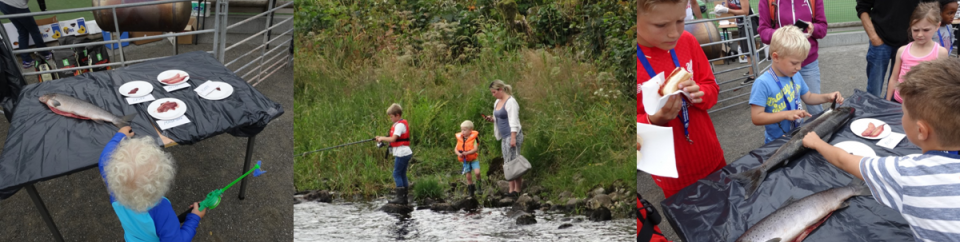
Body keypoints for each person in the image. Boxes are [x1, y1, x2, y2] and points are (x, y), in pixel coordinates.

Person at [802, 58, 960, 241]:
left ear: (921, 130)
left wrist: (816, 143)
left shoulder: (908, 173)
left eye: (904, 113)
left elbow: (843, 160)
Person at [636, 0, 726, 198]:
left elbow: (711, 88)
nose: (674, 33)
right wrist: (653, 120)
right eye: (661, 25)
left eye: (680, 21)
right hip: (673, 173)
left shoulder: (687, 41)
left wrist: (699, 94)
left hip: (711, 155)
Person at [99, 126, 204, 241]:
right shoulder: (161, 211)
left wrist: (120, 135)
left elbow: (104, 159)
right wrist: (194, 218)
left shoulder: (115, 189)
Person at [749, 26, 843, 144]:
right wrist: (785, 114)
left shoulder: (794, 74)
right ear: (775, 57)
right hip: (776, 143)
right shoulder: (762, 83)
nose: (799, 67)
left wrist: (827, 97)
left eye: (801, 62)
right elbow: (756, 117)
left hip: (798, 136)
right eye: (794, 63)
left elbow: (808, 97)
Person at [758, 0, 828, 115]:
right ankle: (790, 133)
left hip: (808, 63)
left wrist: (813, 27)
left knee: (815, 108)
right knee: (785, 108)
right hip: (783, 64)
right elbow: (763, 32)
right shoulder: (768, 1)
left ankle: (819, 132)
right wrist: (785, 35)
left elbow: (823, 28)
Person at [886, 2, 949, 104]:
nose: (920, 34)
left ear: (937, 26)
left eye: (926, 30)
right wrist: (887, 102)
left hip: (923, 106)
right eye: (915, 30)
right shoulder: (902, 51)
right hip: (899, 102)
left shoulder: (940, 53)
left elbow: (941, 84)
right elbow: (893, 78)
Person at [857, 0, 921, 98]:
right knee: (873, 92)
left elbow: (928, 6)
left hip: (907, 43)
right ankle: (873, 112)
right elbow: (862, 7)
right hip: (880, 41)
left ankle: (889, 111)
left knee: (897, 91)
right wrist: (874, 37)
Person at [482, 80, 524, 199]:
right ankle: (511, 189)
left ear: (500, 89)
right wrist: (492, 119)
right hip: (504, 136)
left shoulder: (511, 102)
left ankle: (517, 189)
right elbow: (500, 117)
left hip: (513, 135)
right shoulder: (497, 102)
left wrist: (513, 138)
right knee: (507, 162)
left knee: (514, 161)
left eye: (494, 92)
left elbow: (514, 121)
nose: (493, 95)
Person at [713, 0, 759, 83]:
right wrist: (721, 10)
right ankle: (752, 70)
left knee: (749, 51)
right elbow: (733, 10)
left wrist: (727, 10)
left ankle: (752, 76)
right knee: (746, 50)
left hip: (748, 24)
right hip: (741, 24)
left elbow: (745, 12)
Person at [376, 103, 413, 205]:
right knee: (402, 174)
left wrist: (382, 138)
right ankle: (404, 198)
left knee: (396, 174)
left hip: (402, 153)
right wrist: (381, 139)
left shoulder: (400, 125)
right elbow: (393, 140)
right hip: (405, 152)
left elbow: (393, 139)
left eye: (391, 117)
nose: (390, 119)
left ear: (397, 115)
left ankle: (400, 198)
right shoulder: (398, 124)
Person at [0, 0, 52, 68]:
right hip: (17, 4)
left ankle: (27, 60)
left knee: (22, 31)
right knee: (34, 30)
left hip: (3, 3)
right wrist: (43, 8)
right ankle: (45, 53)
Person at [454, 120, 481, 197]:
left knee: (477, 173)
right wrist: (459, 154)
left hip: (474, 160)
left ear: (470, 130)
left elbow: (475, 149)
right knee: (468, 176)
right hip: (465, 161)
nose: (462, 132)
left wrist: (467, 153)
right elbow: (455, 149)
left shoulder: (474, 139)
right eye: (461, 130)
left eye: (464, 130)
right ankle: (471, 192)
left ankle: (479, 187)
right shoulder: (460, 139)